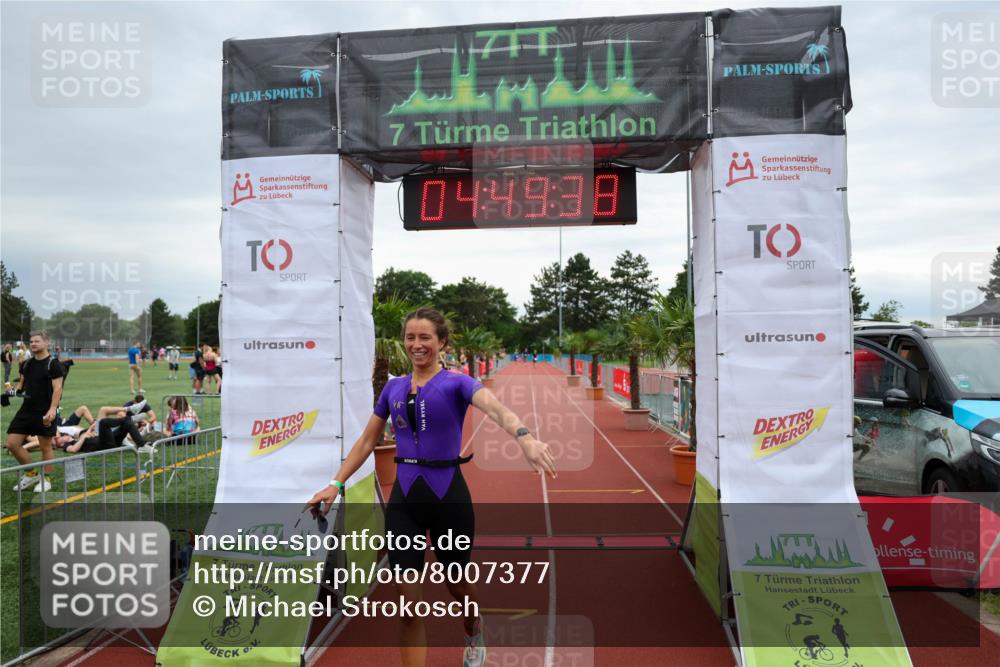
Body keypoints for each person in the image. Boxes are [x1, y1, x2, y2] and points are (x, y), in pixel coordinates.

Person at [307, 308, 556, 667]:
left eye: (425, 337)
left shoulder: (458, 383)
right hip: (405, 503)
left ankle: (473, 628)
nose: (416, 344)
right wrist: (336, 483)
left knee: (457, 584)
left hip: (448, 499)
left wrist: (525, 438)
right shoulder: (392, 388)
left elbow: (498, 410)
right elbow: (366, 441)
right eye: (410, 337)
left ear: (442, 342)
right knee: (407, 606)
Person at [5, 331, 65, 492]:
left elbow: (58, 388)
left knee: (46, 446)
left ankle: (46, 480)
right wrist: (8, 394)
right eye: (31, 341)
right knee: (12, 444)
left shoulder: (53, 364)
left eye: (37, 341)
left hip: (45, 411)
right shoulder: (27, 364)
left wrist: (52, 409)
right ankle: (31, 474)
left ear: (46, 343)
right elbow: (21, 386)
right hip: (26, 410)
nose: (33, 344)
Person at [65, 414, 147, 454]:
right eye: (60, 437)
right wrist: (83, 438)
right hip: (103, 446)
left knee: (127, 424)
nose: (65, 435)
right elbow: (73, 450)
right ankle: (129, 418)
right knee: (103, 422)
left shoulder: (75, 437)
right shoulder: (68, 444)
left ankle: (142, 446)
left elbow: (90, 433)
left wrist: (90, 430)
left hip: (109, 441)